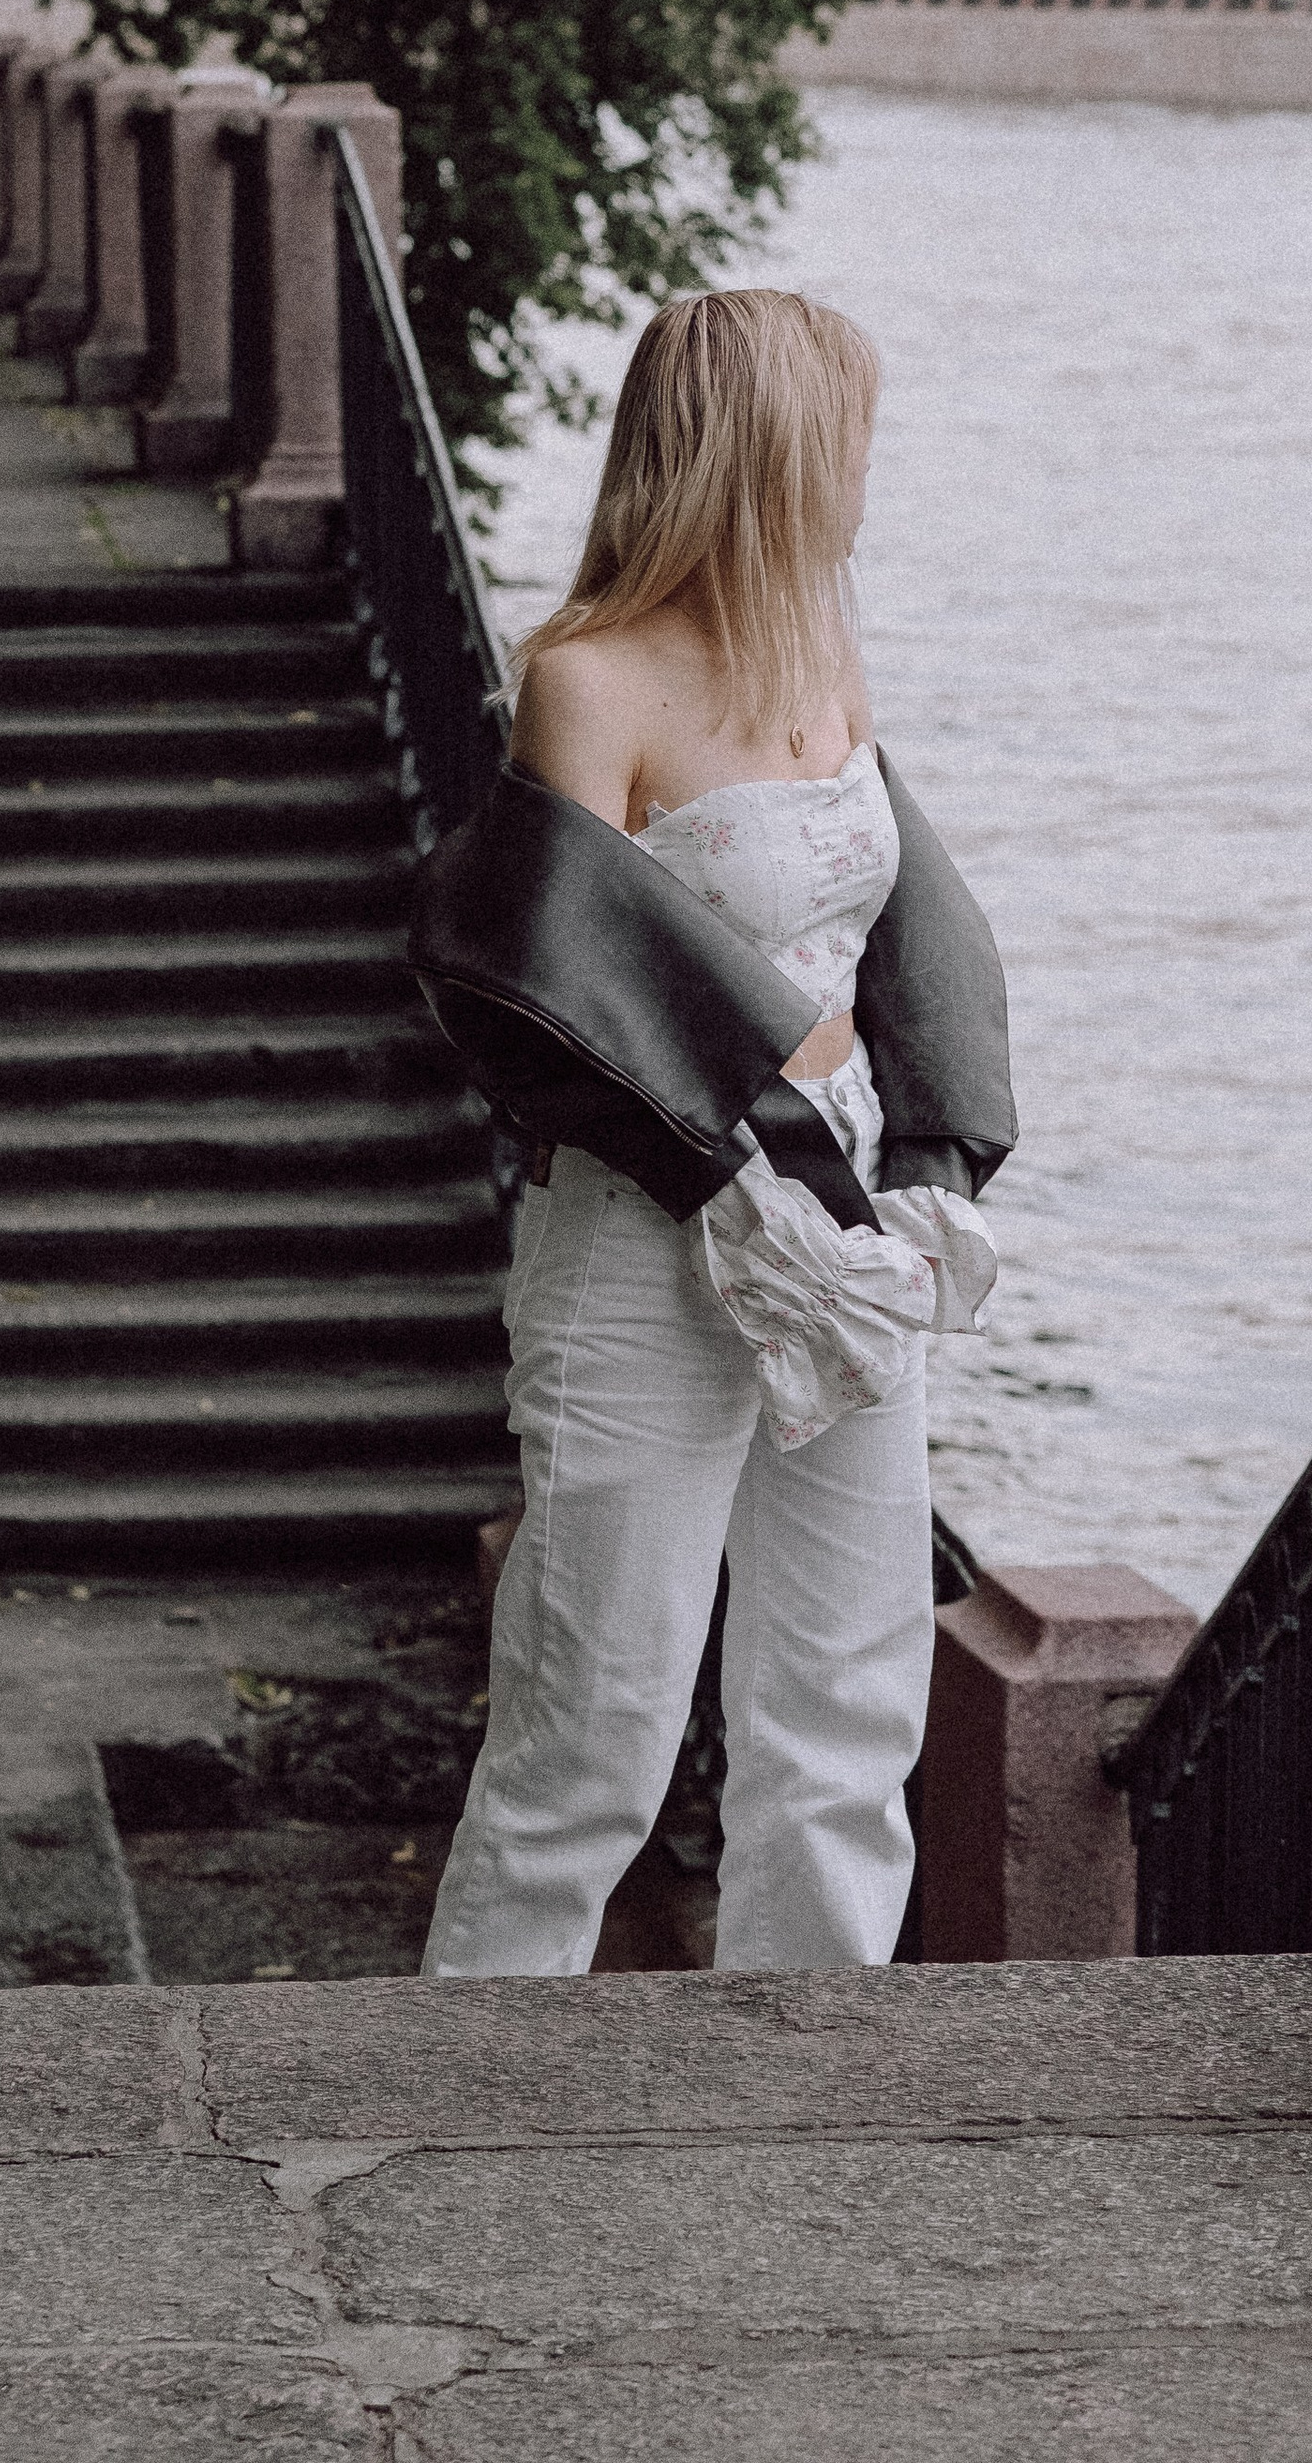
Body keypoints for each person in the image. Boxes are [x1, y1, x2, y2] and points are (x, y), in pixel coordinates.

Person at [409, 286, 1015, 1977]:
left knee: (847, 1693)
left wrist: (919, 1171)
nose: (872, 477)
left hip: (843, 1231)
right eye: (855, 441)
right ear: (773, 454)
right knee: (592, 1712)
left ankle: (803, 2081)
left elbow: (894, 934)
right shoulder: (584, 683)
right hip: (652, 1233)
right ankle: (467, 2081)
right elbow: (553, 983)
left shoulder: (824, 656)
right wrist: (751, 1144)